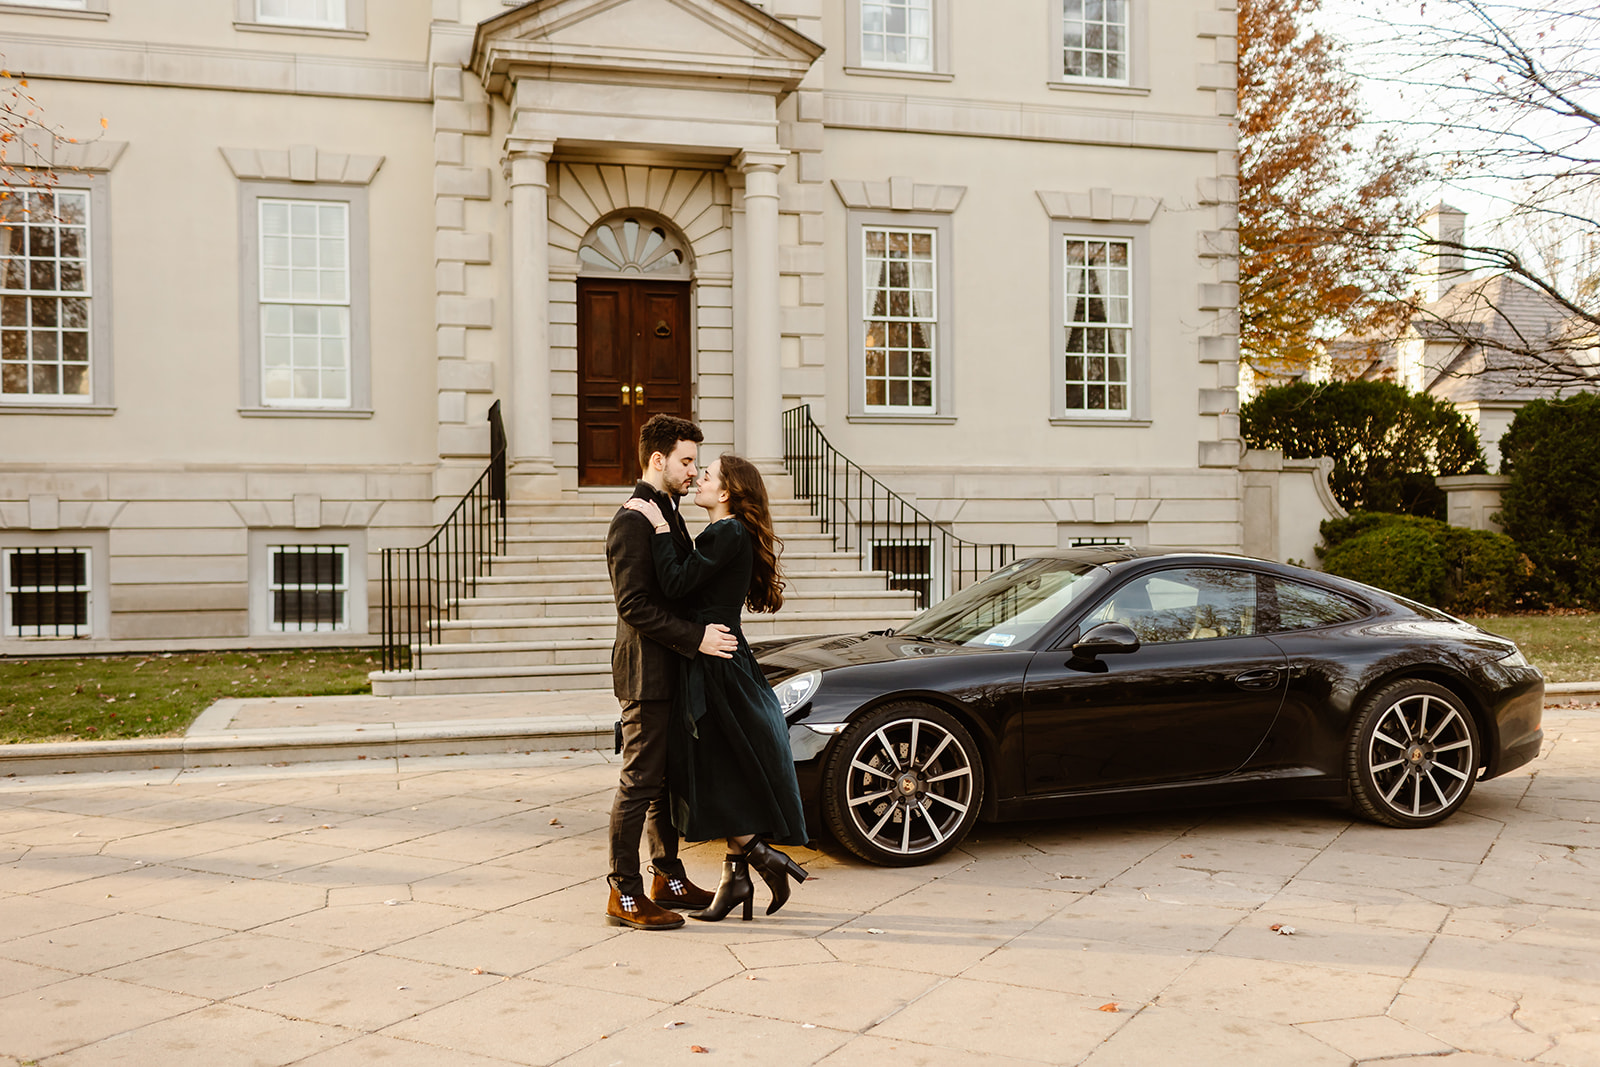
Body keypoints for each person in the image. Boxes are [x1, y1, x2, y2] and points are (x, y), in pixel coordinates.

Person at [622, 453, 809, 922]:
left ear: (726, 493)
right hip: (714, 657)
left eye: (706, 474)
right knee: (723, 766)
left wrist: (660, 528)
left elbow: (677, 581)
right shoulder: (722, 532)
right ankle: (737, 877)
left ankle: (762, 855)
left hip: (716, 663)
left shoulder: (726, 532)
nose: (698, 477)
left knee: (713, 769)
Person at [604, 414, 739, 931]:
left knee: (663, 782)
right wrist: (696, 637)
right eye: (686, 461)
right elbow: (634, 605)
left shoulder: (666, 512)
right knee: (639, 783)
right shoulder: (632, 519)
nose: (693, 471)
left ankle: (668, 876)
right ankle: (624, 892)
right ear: (657, 460)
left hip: (673, 670)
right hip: (646, 674)